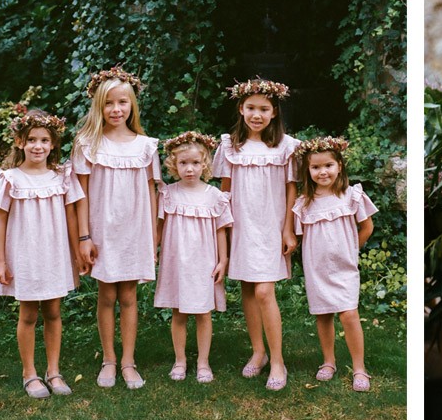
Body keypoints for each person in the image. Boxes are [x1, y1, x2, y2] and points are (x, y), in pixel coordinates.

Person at [72, 66, 160, 390]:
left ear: (132, 105)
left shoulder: (146, 146)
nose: (116, 109)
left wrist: (153, 234)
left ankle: (128, 361)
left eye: (122, 102)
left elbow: (152, 192)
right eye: (108, 103)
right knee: (106, 294)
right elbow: (79, 195)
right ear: (99, 106)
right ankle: (109, 358)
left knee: (129, 295)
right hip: (102, 230)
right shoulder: (88, 144)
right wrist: (84, 236)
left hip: (134, 230)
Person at [0, 110, 85, 398]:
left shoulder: (61, 177)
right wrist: (0, 260)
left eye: (44, 140)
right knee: (29, 314)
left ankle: (53, 371)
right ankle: (29, 373)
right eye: (31, 139)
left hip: (54, 253)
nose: (38, 146)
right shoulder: (10, 179)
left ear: (53, 144)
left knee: (54, 311)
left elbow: (70, 216)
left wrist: (77, 250)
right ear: (20, 142)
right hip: (26, 255)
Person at [213, 78, 298, 390]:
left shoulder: (287, 147)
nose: (257, 114)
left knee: (264, 291)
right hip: (242, 224)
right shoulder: (230, 147)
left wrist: (289, 228)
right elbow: (224, 191)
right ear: (241, 108)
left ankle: (278, 360)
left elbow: (292, 190)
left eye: (264, 109)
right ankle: (258, 352)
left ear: (274, 112)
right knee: (248, 290)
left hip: (271, 225)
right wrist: (223, 229)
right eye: (251, 108)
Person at [291, 136, 377, 392]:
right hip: (317, 268)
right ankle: (328, 362)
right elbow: (301, 237)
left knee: (349, 313)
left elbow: (367, 227)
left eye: (328, 165)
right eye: (315, 167)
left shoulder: (351, 196)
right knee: (324, 314)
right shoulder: (304, 203)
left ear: (339, 165)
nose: (322, 171)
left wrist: (351, 250)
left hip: (344, 267)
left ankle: (359, 368)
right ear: (308, 170)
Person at [155, 131, 232, 383]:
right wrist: (153, 251)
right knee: (179, 312)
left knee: (203, 312)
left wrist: (223, 260)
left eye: (195, 163)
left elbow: (220, 229)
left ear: (205, 164)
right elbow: (159, 227)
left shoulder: (213, 195)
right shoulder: (169, 193)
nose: (190, 169)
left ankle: (203, 362)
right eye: (184, 163)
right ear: (174, 165)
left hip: (204, 261)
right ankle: (180, 360)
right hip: (177, 260)